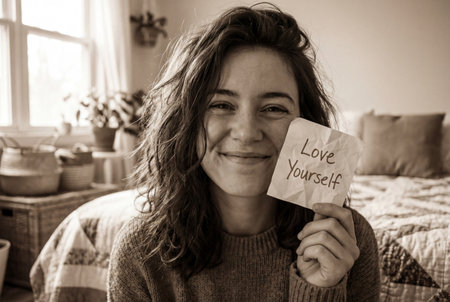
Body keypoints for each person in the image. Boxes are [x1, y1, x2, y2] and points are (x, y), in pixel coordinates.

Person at [107, 3, 380, 301]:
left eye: (274, 108)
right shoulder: (139, 252)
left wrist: (320, 290)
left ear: (308, 124)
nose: (247, 132)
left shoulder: (348, 241)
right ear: (185, 122)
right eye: (221, 105)